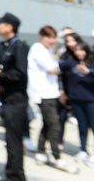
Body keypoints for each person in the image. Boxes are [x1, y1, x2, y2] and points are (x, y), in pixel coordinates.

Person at [27, 26, 77, 172]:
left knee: (48, 124)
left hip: (51, 92)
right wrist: (71, 65)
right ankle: (57, 158)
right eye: (48, 37)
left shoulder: (49, 51)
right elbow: (52, 69)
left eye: (53, 37)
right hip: (43, 94)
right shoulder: (38, 48)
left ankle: (41, 152)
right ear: (41, 36)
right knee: (55, 125)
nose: (51, 40)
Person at [0, 12, 28, 181]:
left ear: (9, 27)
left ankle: (15, 176)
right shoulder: (7, 45)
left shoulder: (18, 47)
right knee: (11, 139)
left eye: (1, 23)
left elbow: (20, 73)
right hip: (8, 98)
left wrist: (0, 74)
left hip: (15, 100)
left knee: (13, 140)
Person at [60, 42, 94, 166]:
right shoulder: (72, 63)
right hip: (76, 100)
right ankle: (83, 150)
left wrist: (88, 72)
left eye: (82, 50)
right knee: (82, 127)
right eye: (77, 50)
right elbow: (55, 67)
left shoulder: (92, 64)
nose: (79, 53)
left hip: (91, 101)